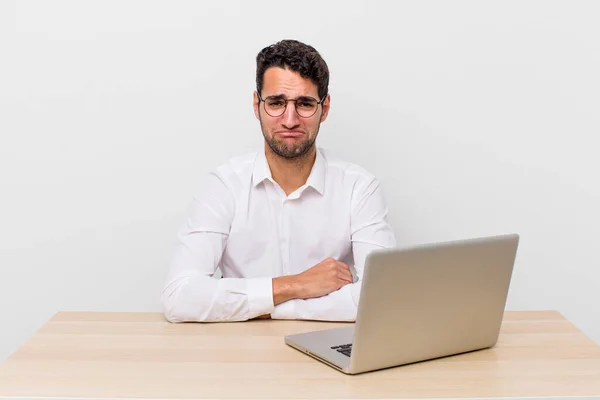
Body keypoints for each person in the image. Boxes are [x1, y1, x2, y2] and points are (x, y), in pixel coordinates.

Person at [161, 39, 396, 323]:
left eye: (305, 104)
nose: (290, 119)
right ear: (256, 105)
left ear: (325, 108)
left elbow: (383, 298)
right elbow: (180, 297)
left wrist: (270, 308)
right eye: (276, 103)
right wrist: (295, 284)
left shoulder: (359, 187)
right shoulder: (224, 185)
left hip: (328, 352)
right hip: (241, 354)